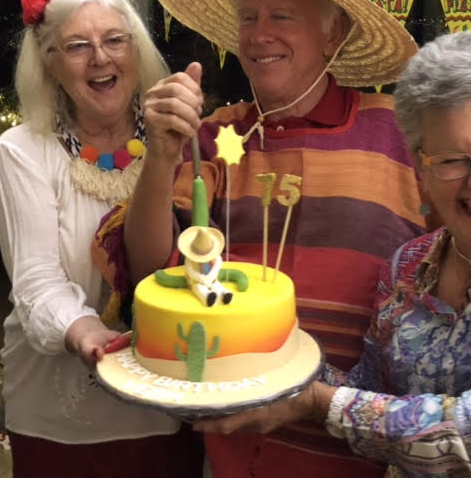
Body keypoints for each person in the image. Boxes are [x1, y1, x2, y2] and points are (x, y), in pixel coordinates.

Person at [94, 0, 427, 477]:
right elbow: (152, 269)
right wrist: (159, 154)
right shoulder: (214, 138)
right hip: (235, 453)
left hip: (362, 453)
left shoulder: (400, 136)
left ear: (334, 32)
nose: (258, 33)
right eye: (248, 17)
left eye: (281, 16)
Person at [194, 31, 471, 477]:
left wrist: (316, 403)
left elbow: (463, 431)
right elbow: (368, 387)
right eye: (453, 160)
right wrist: (255, 347)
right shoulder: (408, 268)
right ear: (419, 166)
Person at [0, 0, 203, 478]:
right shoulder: (21, 151)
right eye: (78, 46)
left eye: (114, 40)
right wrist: (87, 332)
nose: (101, 58)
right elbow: (36, 280)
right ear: (50, 64)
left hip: (168, 399)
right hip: (61, 416)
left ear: (136, 50)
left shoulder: (173, 137)